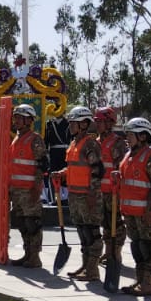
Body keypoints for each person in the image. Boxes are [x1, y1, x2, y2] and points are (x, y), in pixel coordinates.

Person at [116, 117, 151, 295]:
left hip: (146, 212)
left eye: (131, 134)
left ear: (142, 136)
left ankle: (148, 284)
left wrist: (149, 210)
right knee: (137, 248)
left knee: (148, 248)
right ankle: (139, 280)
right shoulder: (129, 155)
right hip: (131, 212)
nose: (127, 138)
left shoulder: (150, 155)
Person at [55, 105, 105, 279]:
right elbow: (75, 167)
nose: (70, 126)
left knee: (92, 233)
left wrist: (92, 194)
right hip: (75, 195)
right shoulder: (74, 143)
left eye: (73, 123)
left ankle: (92, 269)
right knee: (82, 232)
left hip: (87, 195)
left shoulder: (90, 144)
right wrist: (62, 173)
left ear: (84, 124)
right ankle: (85, 266)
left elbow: (97, 171)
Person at [4, 104, 48, 267]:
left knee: (32, 223)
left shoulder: (35, 139)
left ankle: (35, 256)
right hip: (16, 190)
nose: (16, 120)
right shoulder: (16, 138)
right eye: (15, 117)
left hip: (29, 190)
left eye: (19, 117)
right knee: (21, 222)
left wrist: (37, 188)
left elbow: (42, 165)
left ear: (29, 120)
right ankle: (27, 253)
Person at [94, 107, 127, 274]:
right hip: (100, 191)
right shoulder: (95, 142)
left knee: (116, 223)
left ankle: (116, 252)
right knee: (105, 223)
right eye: (96, 121)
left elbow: (123, 167)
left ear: (109, 123)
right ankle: (108, 251)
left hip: (114, 191)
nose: (97, 124)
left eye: (100, 121)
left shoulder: (118, 143)